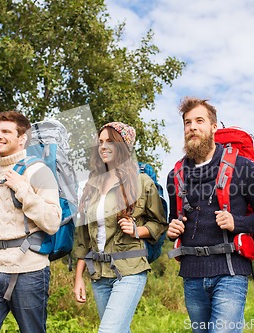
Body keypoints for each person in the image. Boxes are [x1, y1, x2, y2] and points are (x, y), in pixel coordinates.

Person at [166, 97, 254, 333]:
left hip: (230, 272)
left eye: (199, 121)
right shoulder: (175, 175)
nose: (192, 127)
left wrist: (237, 222)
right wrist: (171, 229)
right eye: (187, 123)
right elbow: (172, 219)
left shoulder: (243, 168)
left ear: (213, 127)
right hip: (191, 274)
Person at [0, 111, 62, 333]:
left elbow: (52, 221)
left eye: (6, 132)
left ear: (22, 139)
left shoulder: (39, 171)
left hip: (30, 270)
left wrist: (23, 191)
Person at [72, 121, 168, 333]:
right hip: (99, 274)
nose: (103, 147)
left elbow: (160, 224)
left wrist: (137, 230)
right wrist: (79, 278)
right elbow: (82, 240)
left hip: (130, 270)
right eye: (100, 142)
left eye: (110, 142)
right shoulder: (92, 186)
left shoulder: (141, 182)